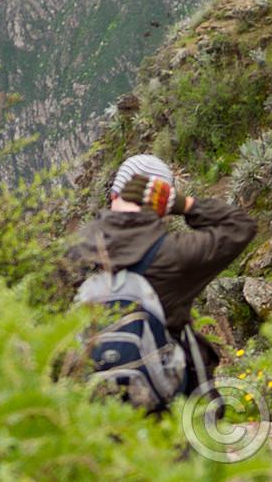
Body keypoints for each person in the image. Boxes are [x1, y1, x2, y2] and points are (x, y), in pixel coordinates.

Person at [66, 152, 257, 399]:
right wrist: (186, 204)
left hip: (94, 407)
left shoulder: (75, 252)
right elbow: (240, 226)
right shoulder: (174, 254)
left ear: (113, 195)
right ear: (163, 206)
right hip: (167, 405)